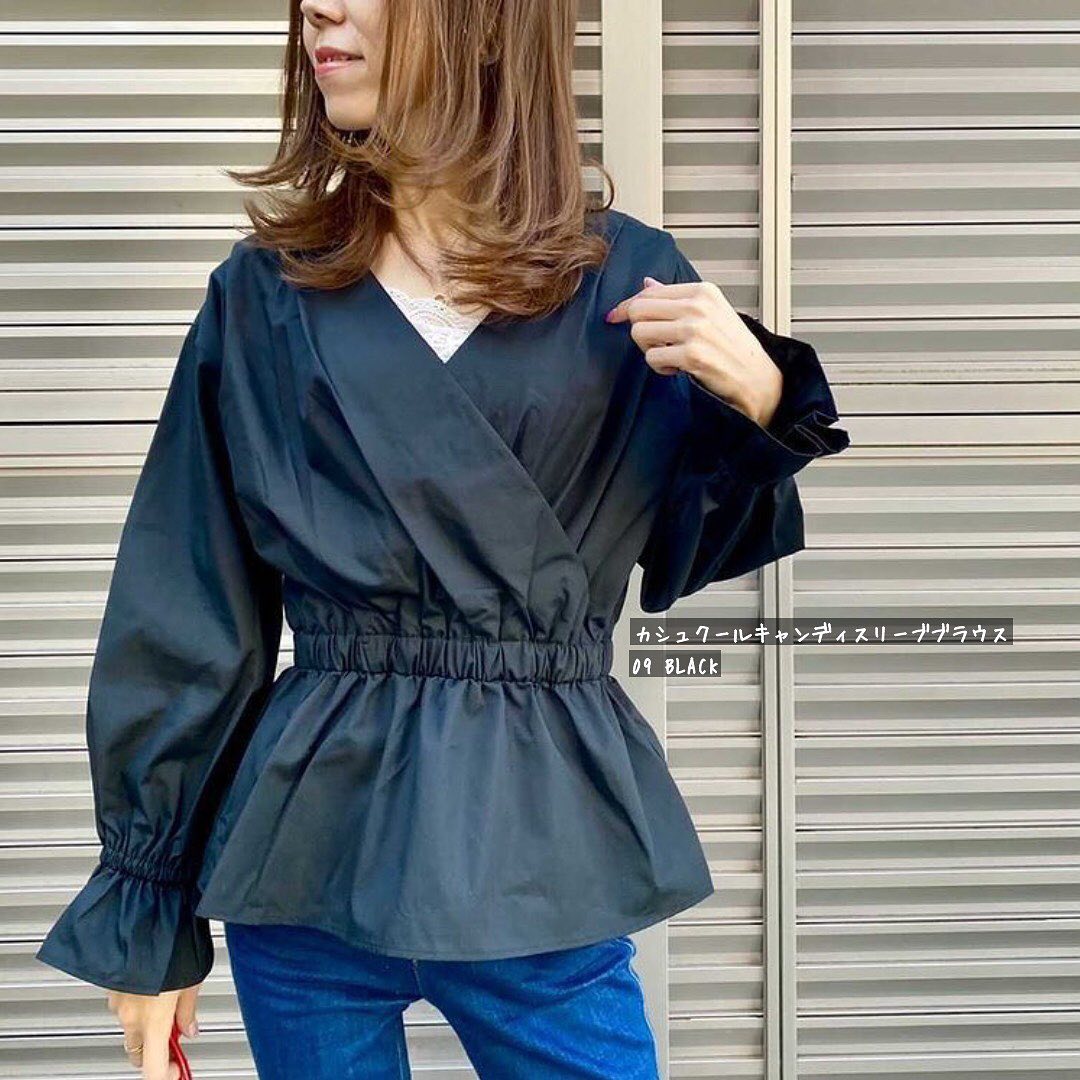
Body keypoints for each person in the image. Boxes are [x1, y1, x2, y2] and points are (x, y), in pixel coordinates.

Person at [34, 1, 850, 1077]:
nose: (320, 8)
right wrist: (147, 906)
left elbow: (687, 552)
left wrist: (763, 399)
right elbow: (187, 602)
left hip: (540, 853)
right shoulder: (264, 297)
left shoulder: (625, 284)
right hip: (308, 862)